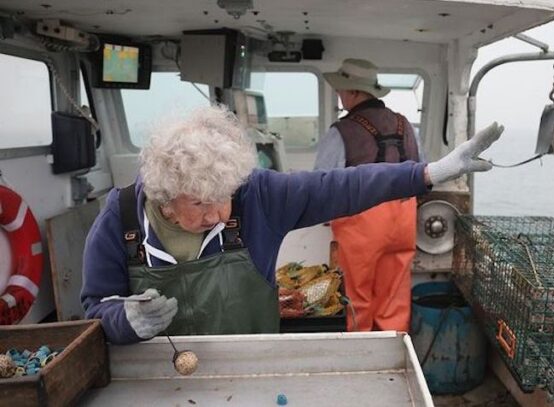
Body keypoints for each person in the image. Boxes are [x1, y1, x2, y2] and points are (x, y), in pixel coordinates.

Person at [80, 105, 503, 345]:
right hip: (156, 376)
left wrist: (428, 173)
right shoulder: (120, 218)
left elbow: (340, 186)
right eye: (200, 203)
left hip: (254, 367)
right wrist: (125, 321)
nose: (218, 214)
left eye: (224, 196)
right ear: (165, 197)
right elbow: (97, 306)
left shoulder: (255, 195)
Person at [315, 58, 422, 332]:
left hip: (362, 222)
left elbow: (321, 182)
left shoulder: (341, 131)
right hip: (404, 218)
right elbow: (423, 171)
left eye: (340, 89)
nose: (339, 95)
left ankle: (358, 351)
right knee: (394, 298)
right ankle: (394, 347)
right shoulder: (406, 125)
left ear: (353, 91)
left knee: (356, 298)